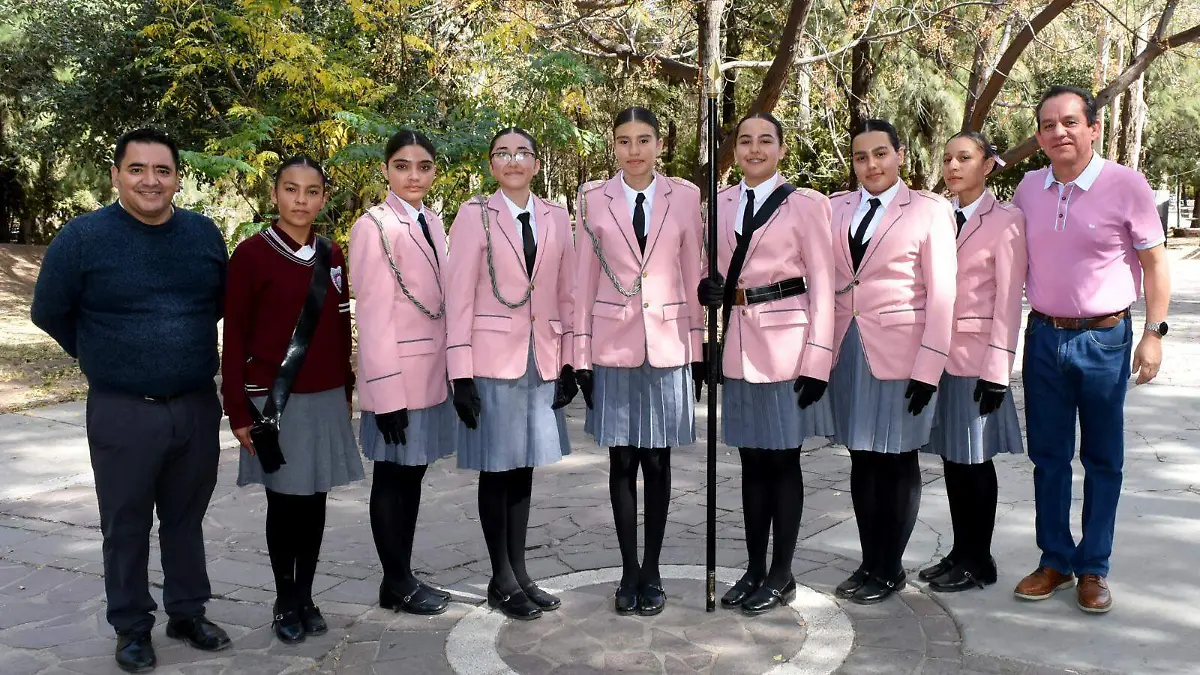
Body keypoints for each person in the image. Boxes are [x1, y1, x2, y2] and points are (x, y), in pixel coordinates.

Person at [31, 128, 232, 673]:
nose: (150, 181)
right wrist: (103, 354)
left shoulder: (203, 235)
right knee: (125, 524)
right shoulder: (83, 238)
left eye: (162, 170)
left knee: (186, 519)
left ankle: (187, 613)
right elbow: (48, 311)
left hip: (194, 406)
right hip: (122, 410)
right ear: (116, 175)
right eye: (137, 169)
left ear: (177, 179)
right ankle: (132, 627)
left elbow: (214, 304)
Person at [1011, 85, 1170, 614]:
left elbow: (1155, 264)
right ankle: (1055, 560)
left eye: (1070, 122)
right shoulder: (1028, 188)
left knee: (1102, 458)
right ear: (1039, 137)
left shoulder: (1126, 184)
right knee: (1048, 456)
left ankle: (1094, 567)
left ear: (1093, 129)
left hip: (1105, 339)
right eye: (1048, 125)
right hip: (1043, 337)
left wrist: (1154, 333)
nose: (1059, 132)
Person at [696, 112, 836, 615]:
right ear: (735, 149)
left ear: (781, 148)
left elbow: (824, 284)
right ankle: (755, 569)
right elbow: (711, 268)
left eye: (765, 141)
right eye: (745, 141)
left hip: (787, 347)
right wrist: (707, 289)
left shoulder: (806, 205)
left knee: (783, 462)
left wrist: (819, 360)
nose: (754, 149)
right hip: (737, 343)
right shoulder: (719, 205)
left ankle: (782, 574)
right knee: (751, 463)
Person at [221, 156, 363, 643]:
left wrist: (346, 387)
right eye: (291, 189)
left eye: (312, 191)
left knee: (316, 500)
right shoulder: (250, 254)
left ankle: (306, 595)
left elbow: (340, 327)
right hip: (274, 403)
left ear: (323, 198)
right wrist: (236, 409)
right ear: (274, 193)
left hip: (325, 396)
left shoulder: (332, 254)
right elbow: (234, 337)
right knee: (284, 504)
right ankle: (285, 600)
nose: (301, 200)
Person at [574, 106, 705, 616]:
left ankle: (653, 570)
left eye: (644, 139)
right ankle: (628, 570)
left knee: (658, 460)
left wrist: (698, 350)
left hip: (669, 343)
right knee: (622, 460)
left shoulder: (685, 197)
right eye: (624, 141)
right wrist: (581, 356)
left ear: (659, 145)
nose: (634, 150)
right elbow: (582, 281)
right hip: (613, 345)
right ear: (613, 146)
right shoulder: (593, 199)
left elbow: (693, 275)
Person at [445, 127, 577, 621]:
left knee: (523, 469)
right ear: (491, 165)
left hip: (540, 357)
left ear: (536, 164)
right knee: (496, 470)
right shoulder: (474, 215)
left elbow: (565, 291)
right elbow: (458, 296)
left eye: (522, 153)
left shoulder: (556, 217)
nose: (513, 160)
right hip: (490, 360)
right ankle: (500, 578)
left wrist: (568, 360)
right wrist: (460, 374)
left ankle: (519, 572)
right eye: (503, 153)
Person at [828, 119, 957, 605]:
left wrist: (930, 367)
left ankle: (890, 568)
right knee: (862, 458)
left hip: (904, 355)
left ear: (900, 154)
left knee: (898, 459)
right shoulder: (835, 208)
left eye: (880, 153)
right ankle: (869, 561)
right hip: (849, 350)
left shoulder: (929, 210)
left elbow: (942, 293)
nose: (871, 165)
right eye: (861, 157)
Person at [350, 130, 456, 616]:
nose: (414, 175)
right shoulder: (372, 225)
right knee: (392, 478)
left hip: (429, 373)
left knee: (412, 476)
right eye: (402, 165)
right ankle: (396, 581)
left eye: (423, 166)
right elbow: (372, 316)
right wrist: (386, 396)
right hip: (396, 379)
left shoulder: (430, 219)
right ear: (386, 169)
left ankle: (402, 575)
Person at [917, 132, 1026, 593]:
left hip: (977, 359)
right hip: (935, 357)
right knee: (953, 459)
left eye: (964, 158)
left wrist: (998, 369)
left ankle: (979, 560)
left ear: (987, 164)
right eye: (947, 159)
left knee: (975, 461)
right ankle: (961, 552)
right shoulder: (936, 216)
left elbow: (1009, 300)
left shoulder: (1006, 220)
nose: (953, 167)